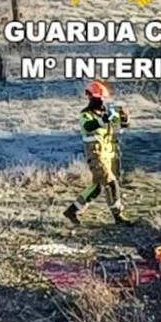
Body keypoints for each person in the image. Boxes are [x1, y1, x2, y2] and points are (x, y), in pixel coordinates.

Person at [64, 80, 130, 225]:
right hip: (95, 156)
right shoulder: (85, 115)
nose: (102, 101)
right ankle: (118, 216)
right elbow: (89, 126)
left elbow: (121, 127)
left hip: (107, 156)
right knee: (111, 183)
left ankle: (72, 211)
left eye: (103, 99)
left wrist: (124, 118)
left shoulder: (107, 113)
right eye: (99, 99)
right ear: (91, 98)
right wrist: (104, 119)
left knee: (97, 187)